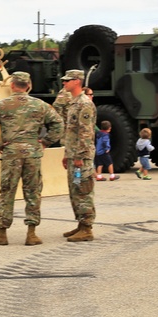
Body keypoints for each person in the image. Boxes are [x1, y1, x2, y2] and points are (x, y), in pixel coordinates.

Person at [0, 71, 63, 246]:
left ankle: (1, 233)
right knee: (33, 192)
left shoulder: (2, 105)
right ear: (29, 86)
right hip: (33, 153)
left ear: (12, 85)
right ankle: (31, 234)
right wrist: (45, 141)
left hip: (11, 153)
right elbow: (58, 123)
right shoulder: (40, 105)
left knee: (7, 192)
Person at [56, 69, 97, 242]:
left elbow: (85, 132)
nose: (64, 83)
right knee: (75, 188)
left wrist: (79, 156)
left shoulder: (84, 104)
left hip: (82, 159)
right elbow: (71, 132)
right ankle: (81, 224)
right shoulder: (74, 103)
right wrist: (68, 154)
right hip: (74, 157)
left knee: (83, 190)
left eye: (67, 80)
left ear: (77, 81)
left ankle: (87, 228)